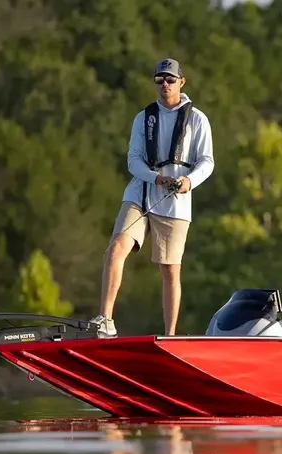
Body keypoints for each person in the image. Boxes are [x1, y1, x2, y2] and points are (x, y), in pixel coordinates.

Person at [90, 58, 214, 337]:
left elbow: (207, 161)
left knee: (170, 270)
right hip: (142, 190)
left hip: (175, 201)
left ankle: (170, 335)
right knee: (116, 247)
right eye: (160, 79)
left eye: (170, 79)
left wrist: (189, 181)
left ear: (181, 82)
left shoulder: (198, 119)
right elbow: (133, 160)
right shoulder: (143, 117)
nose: (165, 84)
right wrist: (155, 178)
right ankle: (105, 320)